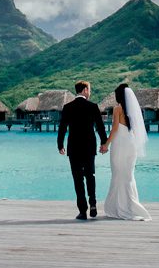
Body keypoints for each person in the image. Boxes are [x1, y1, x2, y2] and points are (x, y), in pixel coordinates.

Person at [101, 83, 151, 220]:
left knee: (118, 174)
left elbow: (115, 129)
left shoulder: (118, 109)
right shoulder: (133, 111)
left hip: (120, 144)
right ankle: (131, 205)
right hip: (131, 144)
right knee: (128, 176)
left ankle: (120, 207)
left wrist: (106, 144)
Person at [57, 81, 106, 220]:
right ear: (85, 90)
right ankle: (93, 204)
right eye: (89, 90)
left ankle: (83, 210)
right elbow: (100, 127)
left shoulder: (68, 107)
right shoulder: (93, 106)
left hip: (74, 148)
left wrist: (60, 144)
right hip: (89, 147)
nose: (90, 92)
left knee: (78, 179)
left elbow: (62, 128)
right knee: (90, 175)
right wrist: (104, 143)